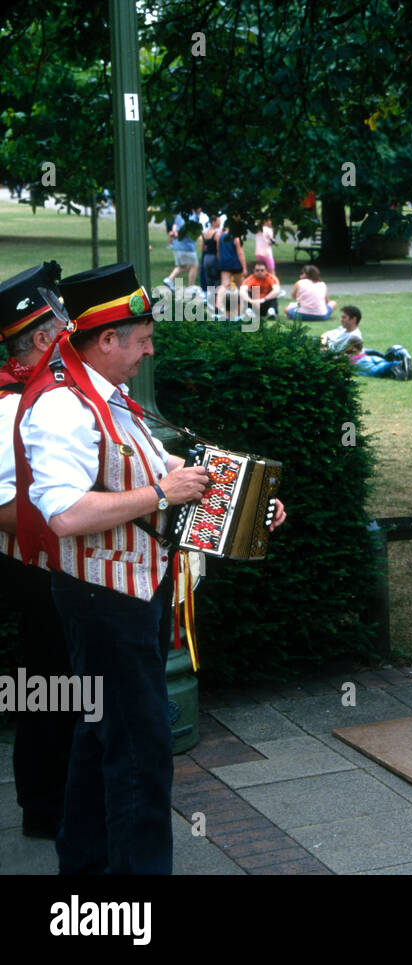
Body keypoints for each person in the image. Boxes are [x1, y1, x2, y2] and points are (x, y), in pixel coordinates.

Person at [14, 262, 285, 874]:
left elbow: (163, 467)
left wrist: (246, 505)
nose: (150, 349)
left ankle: (83, 873)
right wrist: (164, 493)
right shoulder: (62, 407)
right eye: (142, 339)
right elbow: (63, 513)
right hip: (101, 602)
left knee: (97, 738)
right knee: (140, 750)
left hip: (122, 596)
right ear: (107, 340)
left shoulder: (102, 396)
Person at [0, 262, 74, 840]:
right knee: (50, 682)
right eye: (63, 326)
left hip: (64, 558)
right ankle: (46, 807)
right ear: (42, 338)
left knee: (66, 681)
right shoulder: (8, 408)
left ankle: (62, 797)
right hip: (33, 566)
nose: (72, 332)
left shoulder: (58, 392)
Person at [163, 207, 203, 290]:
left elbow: (175, 225)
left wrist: (174, 232)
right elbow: (187, 231)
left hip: (177, 245)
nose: (201, 210)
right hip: (186, 246)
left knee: (183, 266)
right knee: (194, 266)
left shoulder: (181, 214)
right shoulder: (192, 217)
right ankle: (191, 287)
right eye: (200, 208)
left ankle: (169, 279)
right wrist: (177, 234)